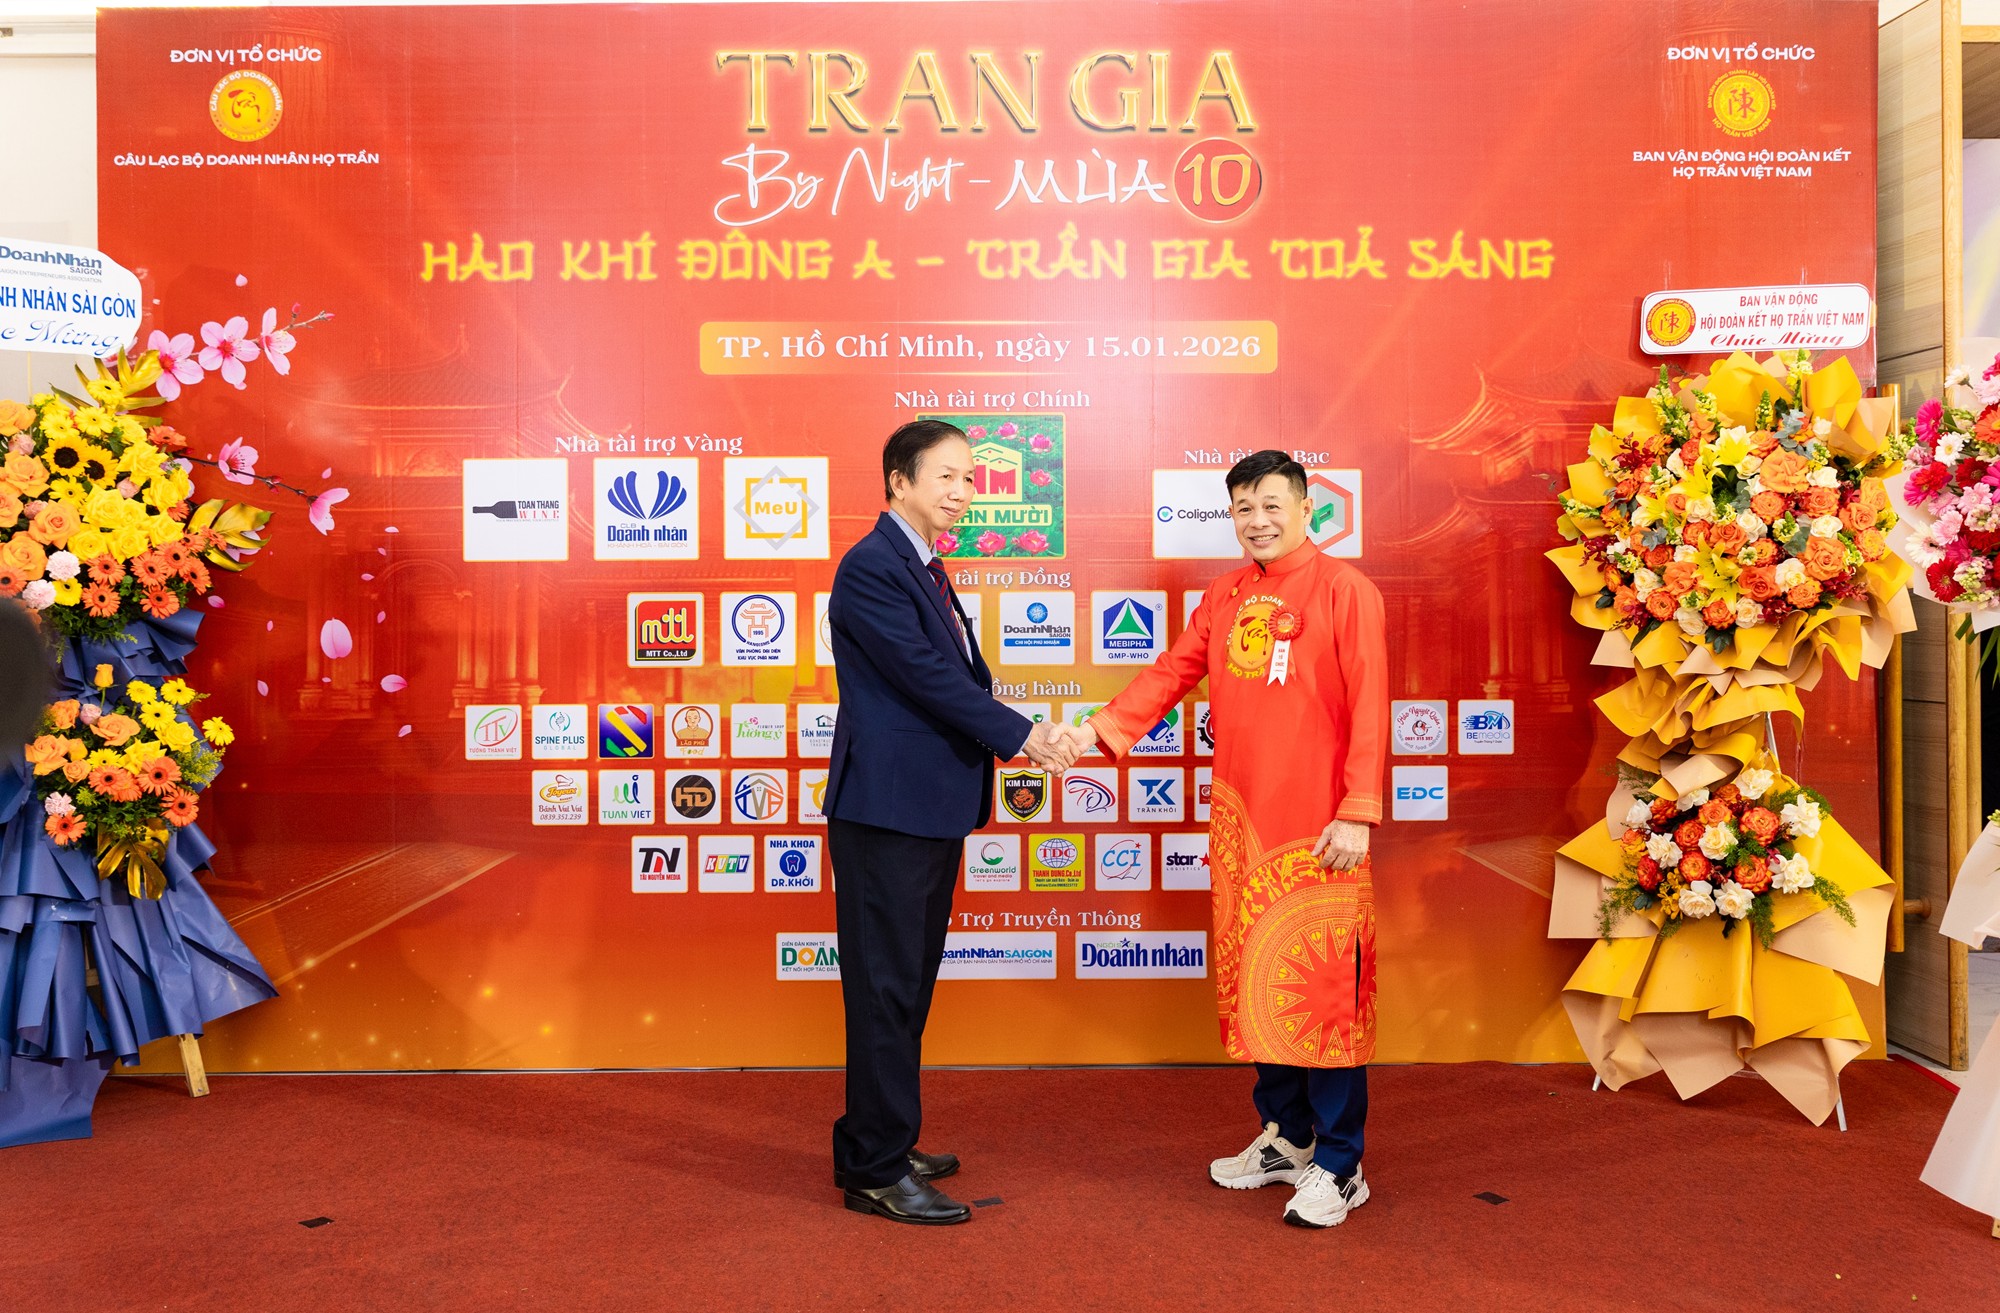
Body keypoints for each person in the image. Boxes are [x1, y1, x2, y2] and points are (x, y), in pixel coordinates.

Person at [1069, 450, 1388, 1229]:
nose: (1258, 520)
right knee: (1258, 982)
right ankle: (1287, 1136)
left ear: (1307, 506)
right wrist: (1098, 730)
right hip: (1244, 825)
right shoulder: (1226, 593)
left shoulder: (1346, 590)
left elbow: (1371, 700)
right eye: (1244, 507)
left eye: (1272, 504)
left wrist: (1358, 808)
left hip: (1321, 827)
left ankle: (1340, 1162)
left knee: (1323, 993)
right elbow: (1172, 672)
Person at [824, 419, 1082, 1225]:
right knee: (885, 989)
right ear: (898, 480)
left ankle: (882, 1139)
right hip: (887, 811)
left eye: (971, 478)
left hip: (924, 807)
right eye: (947, 475)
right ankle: (875, 1168)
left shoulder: (924, 564)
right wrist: (1025, 735)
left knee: (905, 984)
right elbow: (927, 677)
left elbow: (951, 678)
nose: (965, 492)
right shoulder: (872, 566)